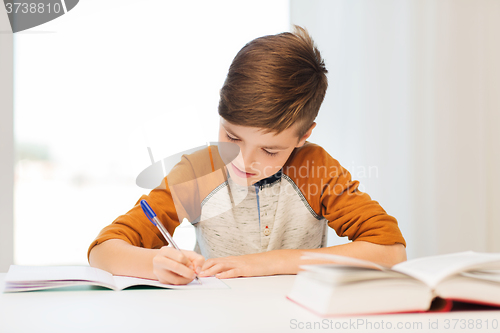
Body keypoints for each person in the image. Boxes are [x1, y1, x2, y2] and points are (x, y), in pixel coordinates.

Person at [88, 25, 406, 285]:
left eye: (269, 150)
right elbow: (103, 251)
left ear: (304, 135)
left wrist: (268, 263)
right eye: (232, 136)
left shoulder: (317, 170)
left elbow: (391, 252)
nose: (243, 160)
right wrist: (153, 263)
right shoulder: (199, 172)